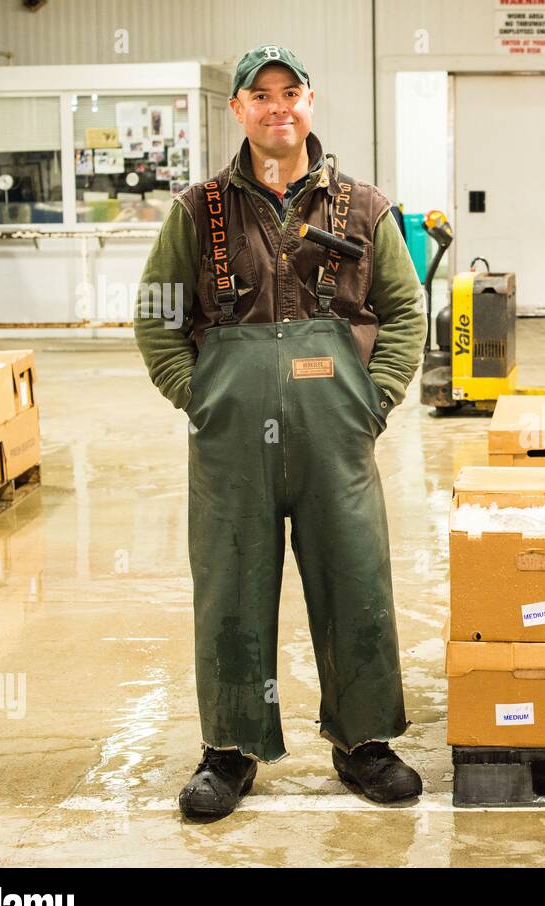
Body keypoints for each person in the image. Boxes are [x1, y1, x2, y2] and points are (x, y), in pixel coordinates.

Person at [133, 44, 427, 820]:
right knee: (230, 588)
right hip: (231, 442)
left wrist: (378, 395)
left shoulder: (363, 207)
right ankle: (229, 749)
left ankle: (364, 741)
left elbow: (404, 310)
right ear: (237, 111)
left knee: (357, 581)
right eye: (258, 95)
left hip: (337, 432)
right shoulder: (197, 210)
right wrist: (195, 394)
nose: (277, 107)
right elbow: (159, 314)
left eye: (289, 92)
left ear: (310, 102)